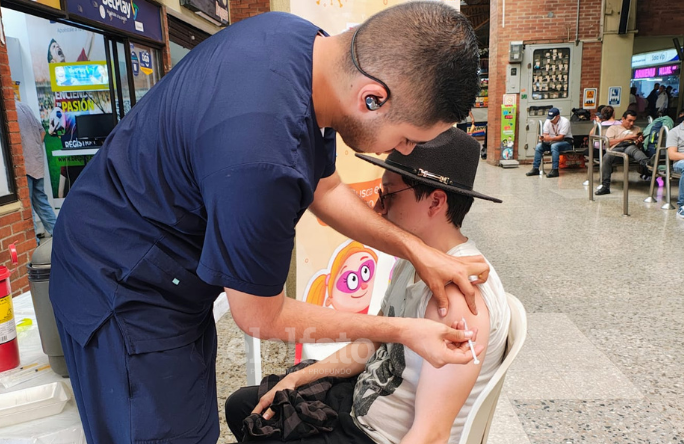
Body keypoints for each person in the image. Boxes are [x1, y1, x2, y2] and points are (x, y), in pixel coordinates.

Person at [49, 4, 487, 443]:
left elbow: (327, 190)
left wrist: (416, 250)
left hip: (166, 271)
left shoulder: (300, 45)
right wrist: (401, 330)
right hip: (122, 285)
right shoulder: (262, 154)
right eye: (409, 137)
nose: (406, 152)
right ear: (372, 97)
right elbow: (262, 315)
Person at [225, 128, 509, 444]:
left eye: (387, 195)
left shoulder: (459, 300)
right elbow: (374, 342)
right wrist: (299, 376)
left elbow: (431, 433)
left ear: (435, 201)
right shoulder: (415, 258)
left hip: (377, 435)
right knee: (243, 405)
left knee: (258, 427)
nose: (377, 209)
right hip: (358, 404)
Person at [15, 100, 56, 243]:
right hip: (36, 162)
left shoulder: (9, 111)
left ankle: (33, 244)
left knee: (27, 206)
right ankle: (58, 233)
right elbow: (42, 133)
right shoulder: (24, 106)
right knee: (40, 200)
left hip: (24, 164)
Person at [595, 110, 650, 196]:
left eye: (633, 121)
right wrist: (627, 138)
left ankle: (648, 164)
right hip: (616, 149)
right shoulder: (613, 128)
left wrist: (639, 141)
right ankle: (605, 186)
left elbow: (638, 147)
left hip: (631, 148)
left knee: (633, 149)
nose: (631, 123)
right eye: (629, 120)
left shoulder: (637, 129)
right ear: (623, 119)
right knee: (607, 157)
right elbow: (608, 143)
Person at [526, 107, 573, 178]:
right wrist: (543, 137)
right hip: (552, 142)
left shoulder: (565, 121)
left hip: (565, 142)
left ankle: (555, 170)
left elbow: (561, 137)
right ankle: (535, 168)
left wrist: (549, 138)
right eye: (550, 118)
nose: (551, 120)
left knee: (555, 146)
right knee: (539, 146)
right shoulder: (548, 121)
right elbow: (545, 134)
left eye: (553, 118)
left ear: (558, 116)